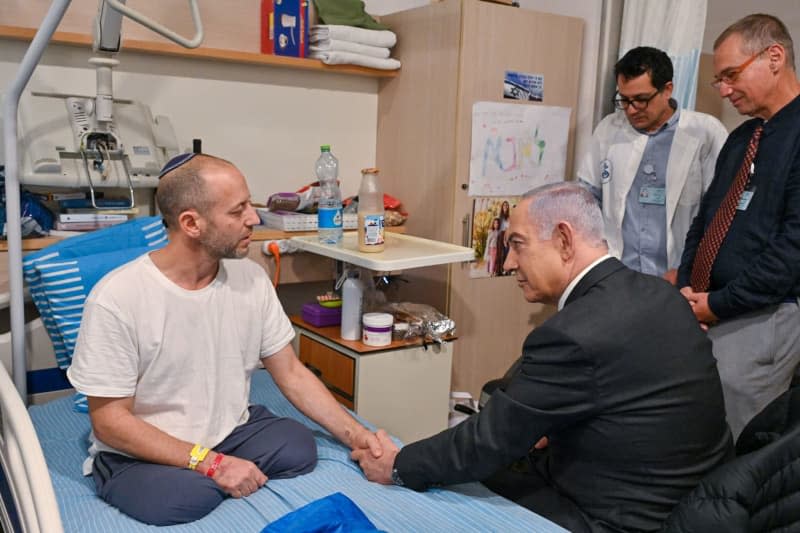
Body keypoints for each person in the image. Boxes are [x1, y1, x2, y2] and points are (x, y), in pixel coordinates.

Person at [353, 182, 732, 533]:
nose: (508, 264)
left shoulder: (574, 333)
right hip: (691, 500)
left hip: (618, 516)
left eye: (518, 244)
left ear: (564, 239)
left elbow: (487, 442)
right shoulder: (659, 294)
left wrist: (398, 465)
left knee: (444, 493)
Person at [67, 153, 381, 526]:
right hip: (143, 448)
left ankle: (213, 465)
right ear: (191, 223)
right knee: (182, 500)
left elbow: (292, 374)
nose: (253, 218)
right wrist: (212, 464)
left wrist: (358, 436)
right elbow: (110, 422)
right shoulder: (118, 298)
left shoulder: (250, 279)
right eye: (238, 211)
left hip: (227, 430)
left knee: (299, 448)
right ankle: (165, 474)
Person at [677, 13, 800, 439]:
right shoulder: (743, 137)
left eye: (732, 75)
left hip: (762, 317)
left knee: (733, 439)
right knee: (690, 431)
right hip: (708, 309)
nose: (725, 90)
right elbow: (707, 218)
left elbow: (792, 250)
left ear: (774, 57)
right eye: (719, 80)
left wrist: (721, 303)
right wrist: (690, 291)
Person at [578, 46, 728, 283]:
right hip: (619, 274)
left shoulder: (705, 132)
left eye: (641, 99)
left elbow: (721, 210)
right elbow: (587, 197)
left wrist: (688, 271)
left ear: (667, 89)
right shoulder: (609, 129)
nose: (631, 109)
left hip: (677, 275)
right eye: (624, 100)